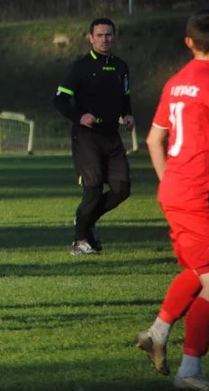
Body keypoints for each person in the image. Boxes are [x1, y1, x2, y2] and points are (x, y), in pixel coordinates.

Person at [136, 9, 209, 391]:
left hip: (178, 188)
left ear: (188, 42)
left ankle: (157, 333)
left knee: (203, 269)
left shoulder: (175, 83)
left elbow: (153, 140)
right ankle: (189, 373)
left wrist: (170, 182)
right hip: (194, 195)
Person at [53, 17, 134, 256]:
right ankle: (79, 241)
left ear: (114, 37)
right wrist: (79, 117)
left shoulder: (121, 67)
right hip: (87, 137)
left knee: (123, 189)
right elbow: (59, 99)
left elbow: (125, 97)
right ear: (90, 38)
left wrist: (127, 114)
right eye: (99, 35)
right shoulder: (81, 67)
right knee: (93, 189)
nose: (104, 39)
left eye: (109, 35)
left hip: (112, 136)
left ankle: (86, 222)